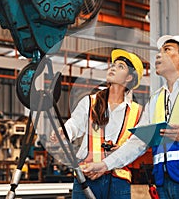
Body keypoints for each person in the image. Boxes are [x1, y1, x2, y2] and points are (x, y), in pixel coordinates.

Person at [83, 35, 179, 199]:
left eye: (166, 50)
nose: (158, 55)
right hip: (162, 184)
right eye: (159, 51)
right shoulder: (156, 99)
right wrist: (104, 165)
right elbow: (138, 142)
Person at [51, 49, 144, 199]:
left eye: (120, 66)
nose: (113, 67)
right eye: (113, 64)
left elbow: (137, 145)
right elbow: (75, 124)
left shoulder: (138, 112)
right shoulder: (90, 102)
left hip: (118, 180)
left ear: (129, 78)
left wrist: (120, 150)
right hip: (87, 176)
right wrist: (64, 131)